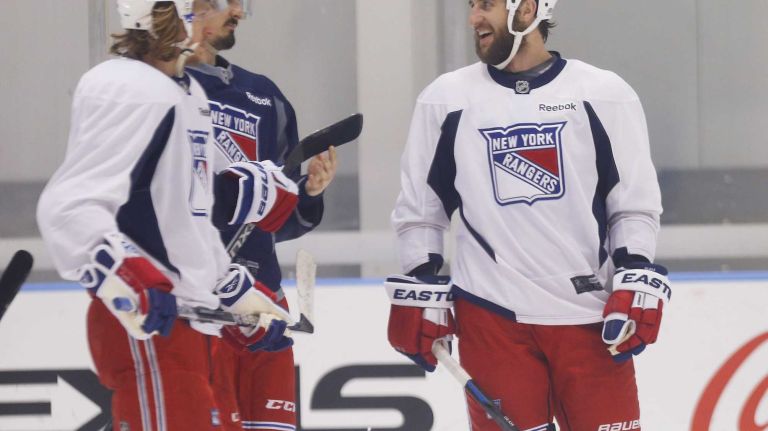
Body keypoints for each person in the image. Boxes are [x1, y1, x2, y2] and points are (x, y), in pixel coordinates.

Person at [385, 0, 671, 430]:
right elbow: (421, 210)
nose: (473, 18)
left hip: (590, 318)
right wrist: (422, 278)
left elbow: (632, 202)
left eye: (486, 5)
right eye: (471, 6)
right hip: (490, 315)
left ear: (528, 8)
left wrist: (635, 270)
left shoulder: (602, 92)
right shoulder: (446, 99)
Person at [36, 1, 300, 429]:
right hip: (150, 323)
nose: (226, 11)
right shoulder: (124, 84)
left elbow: (186, 217)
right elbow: (70, 206)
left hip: (192, 327)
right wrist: (128, 274)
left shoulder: (187, 91)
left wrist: (232, 296)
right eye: (205, 4)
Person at [186, 2, 338, 430]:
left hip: (263, 301)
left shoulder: (265, 97)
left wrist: (306, 194)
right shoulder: (162, 88)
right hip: (200, 304)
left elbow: (272, 220)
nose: (237, 11)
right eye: (223, 2)